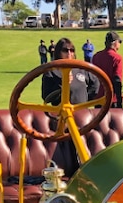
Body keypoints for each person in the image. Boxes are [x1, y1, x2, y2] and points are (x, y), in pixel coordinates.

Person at [41, 38, 99, 173]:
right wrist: (62, 85)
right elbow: (46, 96)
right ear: (58, 52)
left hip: (83, 116)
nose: (69, 53)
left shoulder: (81, 68)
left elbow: (95, 84)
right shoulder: (52, 71)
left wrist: (86, 100)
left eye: (72, 50)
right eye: (65, 50)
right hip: (62, 118)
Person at [92, 32, 123, 108]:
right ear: (115, 43)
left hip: (98, 98)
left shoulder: (96, 56)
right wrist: (119, 99)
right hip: (112, 99)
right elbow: (117, 80)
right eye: (120, 42)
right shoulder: (117, 58)